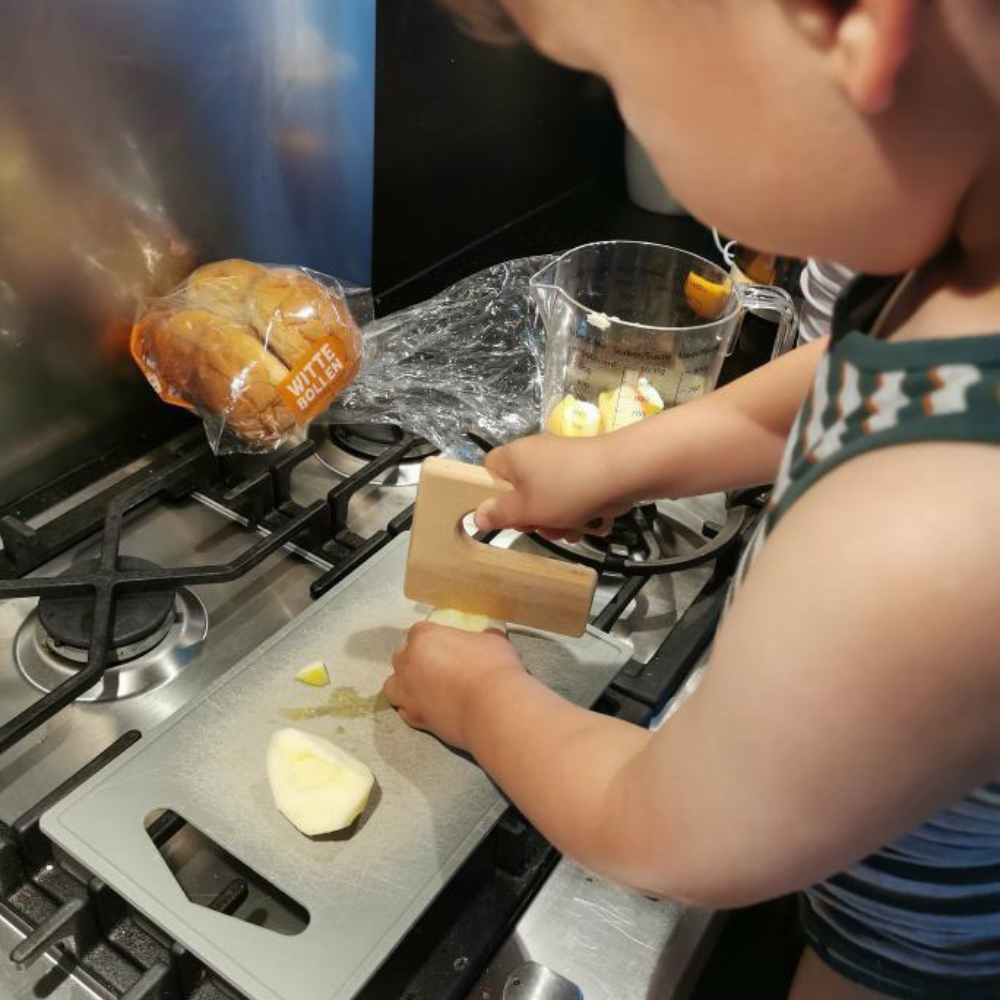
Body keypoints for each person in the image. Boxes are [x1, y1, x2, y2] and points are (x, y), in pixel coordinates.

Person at [383, 3, 1000, 998]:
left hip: (918, 951)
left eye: (617, 81)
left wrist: (479, 697)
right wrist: (615, 461)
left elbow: (669, 830)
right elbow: (828, 389)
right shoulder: (965, 259)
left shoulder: (928, 525)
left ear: (849, 25)